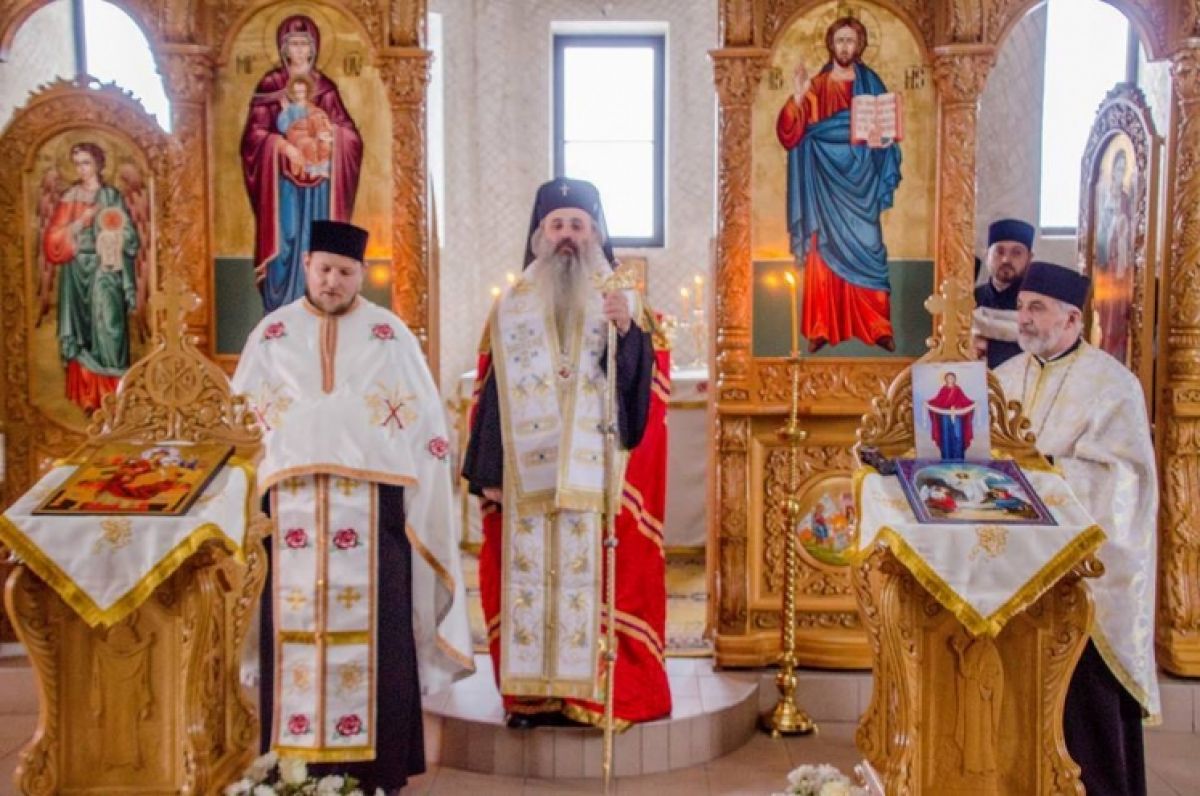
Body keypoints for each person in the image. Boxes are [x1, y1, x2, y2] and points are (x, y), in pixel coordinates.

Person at [232, 220, 473, 791]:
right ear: (307, 266)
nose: (333, 282)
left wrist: (419, 497)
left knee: (380, 642)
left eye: (345, 272)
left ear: (362, 274)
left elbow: (427, 431)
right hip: (287, 517)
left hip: (375, 520)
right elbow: (239, 427)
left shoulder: (390, 336)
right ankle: (290, 770)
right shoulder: (272, 335)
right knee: (291, 633)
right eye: (324, 270)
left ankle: (375, 771)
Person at [462, 177, 672, 730]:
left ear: (595, 234)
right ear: (540, 236)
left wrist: (626, 330)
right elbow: (492, 392)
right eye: (557, 225)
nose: (567, 235)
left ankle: (591, 696)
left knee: (585, 586)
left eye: (577, 225)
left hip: (595, 476)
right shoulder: (512, 304)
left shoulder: (621, 299)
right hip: (524, 478)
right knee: (530, 587)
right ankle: (530, 699)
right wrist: (487, 472)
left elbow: (642, 389)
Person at [995, 261, 1159, 796]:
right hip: (1016, 567)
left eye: (1037, 308)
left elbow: (1126, 478)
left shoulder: (1113, 386)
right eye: (1022, 306)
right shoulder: (1004, 378)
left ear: (1072, 318)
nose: (1024, 317)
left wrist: (1048, 472)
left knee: (1087, 700)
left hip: (1084, 575)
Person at [776, 16, 902, 352]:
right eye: (840, 41)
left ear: (859, 45)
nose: (845, 47)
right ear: (831, 45)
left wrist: (885, 138)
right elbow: (790, 134)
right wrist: (798, 98)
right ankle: (821, 326)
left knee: (870, 245)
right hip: (824, 182)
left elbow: (886, 131)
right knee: (823, 251)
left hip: (862, 184)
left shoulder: (871, 83)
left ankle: (877, 327)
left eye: (851, 41)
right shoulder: (817, 85)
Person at [241, 15, 363, 312]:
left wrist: (330, 138)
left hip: (320, 188)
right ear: (283, 49)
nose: (298, 50)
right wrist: (283, 146)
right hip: (283, 183)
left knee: (315, 241)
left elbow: (350, 136)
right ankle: (281, 310)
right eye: (293, 44)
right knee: (288, 239)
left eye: (304, 44)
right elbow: (254, 136)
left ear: (313, 48)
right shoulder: (271, 86)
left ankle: (321, 307)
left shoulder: (326, 88)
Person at [41, 142, 139, 414]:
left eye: (86, 163)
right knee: (81, 335)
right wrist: (79, 222)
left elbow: (131, 237)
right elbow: (52, 241)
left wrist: (113, 235)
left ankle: (114, 399)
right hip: (75, 271)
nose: (81, 169)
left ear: (98, 164)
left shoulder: (111, 196)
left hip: (106, 270)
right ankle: (88, 400)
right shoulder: (70, 197)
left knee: (110, 328)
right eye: (77, 164)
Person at [973, 218, 1034, 369]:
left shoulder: (1038, 305)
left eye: (1016, 253)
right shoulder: (971, 298)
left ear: (1029, 258)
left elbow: (1043, 350)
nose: (1006, 259)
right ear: (987, 256)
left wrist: (988, 347)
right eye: (999, 252)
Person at [925, 371, 975, 460]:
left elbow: (965, 401)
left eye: (952, 377)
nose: (950, 379)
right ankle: (946, 458)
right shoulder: (943, 390)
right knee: (945, 436)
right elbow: (937, 401)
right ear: (945, 379)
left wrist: (973, 403)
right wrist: (928, 403)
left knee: (958, 436)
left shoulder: (958, 389)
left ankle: (958, 458)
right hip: (945, 416)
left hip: (957, 416)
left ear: (955, 379)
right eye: (948, 378)